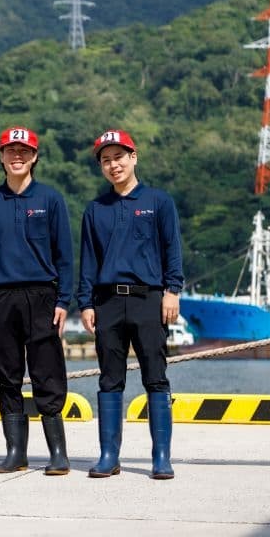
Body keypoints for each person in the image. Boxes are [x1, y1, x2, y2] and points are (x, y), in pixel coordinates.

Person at [78, 129, 183, 481]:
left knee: (156, 377)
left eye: (119, 157)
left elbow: (172, 249)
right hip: (107, 302)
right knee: (110, 380)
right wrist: (86, 303)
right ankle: (109, 455)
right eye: (106, 160)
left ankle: (161, 456)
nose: (113, 165)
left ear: (133, 157)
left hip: (149, 299)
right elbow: (88, 261)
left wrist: (173, 290)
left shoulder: (158, 201)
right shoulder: (96, 209)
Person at [0, 126, 73, 476]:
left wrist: (63, 300)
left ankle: (58, 452)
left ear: (35, 157)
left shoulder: (50, 199)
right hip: (0, 298)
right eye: (10, 151)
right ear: (0, 157)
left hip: (42, 295)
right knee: (7, 376)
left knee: (47, 373)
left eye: (24, 151)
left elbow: (65, 256)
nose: (17, 156)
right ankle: (16, 451)